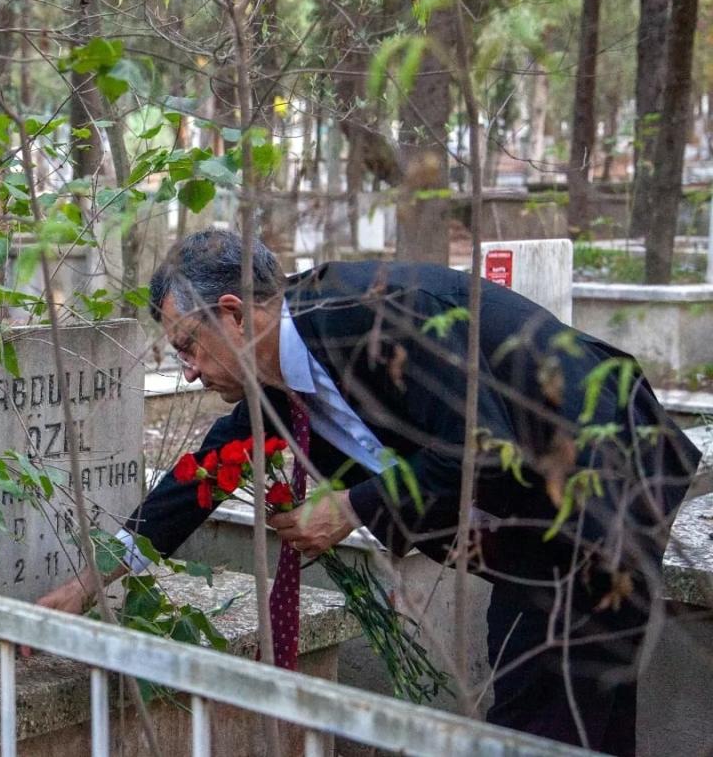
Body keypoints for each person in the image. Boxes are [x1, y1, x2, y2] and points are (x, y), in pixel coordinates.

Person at [37, 229, 700, 756]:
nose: (186, 369)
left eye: (187, 343)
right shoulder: (278, 384)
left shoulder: (371, 318)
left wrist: (351, 507)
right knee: (584, 713)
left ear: (234, 316)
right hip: (537, 521)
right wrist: (91, 580)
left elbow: (481, 447)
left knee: (538, 716)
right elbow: (203, 475)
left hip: (605, 476)